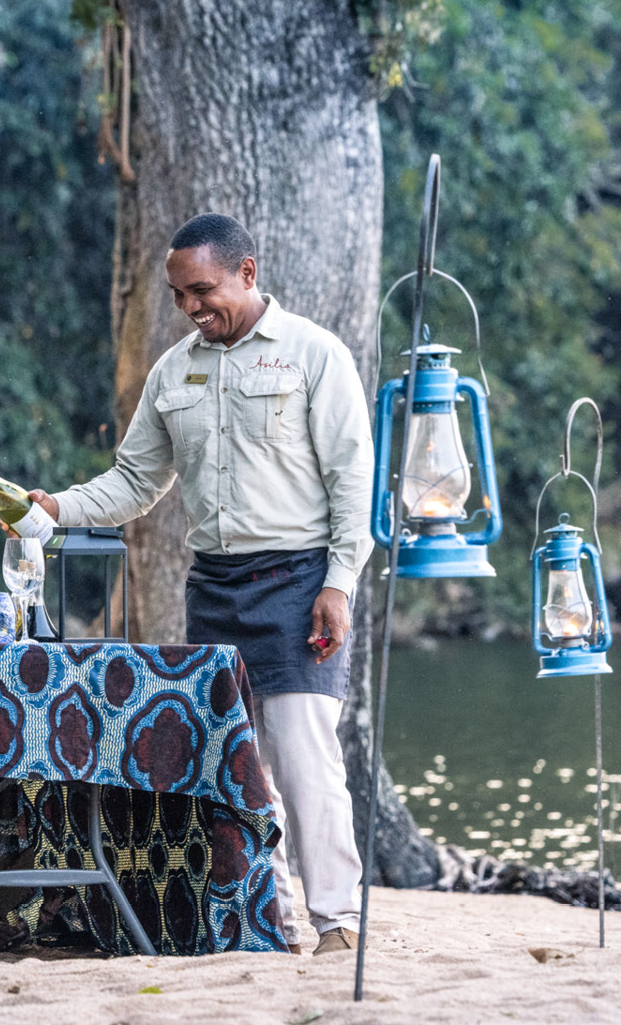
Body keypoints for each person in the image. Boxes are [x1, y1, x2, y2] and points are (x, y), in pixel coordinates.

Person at [22, 214, 373, 955]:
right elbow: (133, 482)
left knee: (307, 758)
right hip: (213, 588)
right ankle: (262, 919)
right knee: (230, 765)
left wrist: (339, 584)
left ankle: (338, 923)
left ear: (247, 273)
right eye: (180, 295)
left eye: (203, 290)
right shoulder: (173, 372)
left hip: (300, 580)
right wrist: (52, 510)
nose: (191, 308)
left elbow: (354, 485)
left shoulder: (317, 356)